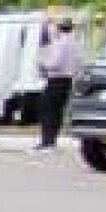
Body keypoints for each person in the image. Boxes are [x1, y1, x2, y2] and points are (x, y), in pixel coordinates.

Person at [33, 16, 84, 151]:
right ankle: (52, 140)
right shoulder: (75, 43)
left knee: (47, 109)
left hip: (56, 79)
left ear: (59, 28)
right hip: (67, 80)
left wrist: (43, 64)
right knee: (57, 111)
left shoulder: (60, 43)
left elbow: (55, 63)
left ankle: (46, 141)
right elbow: (78, 63)